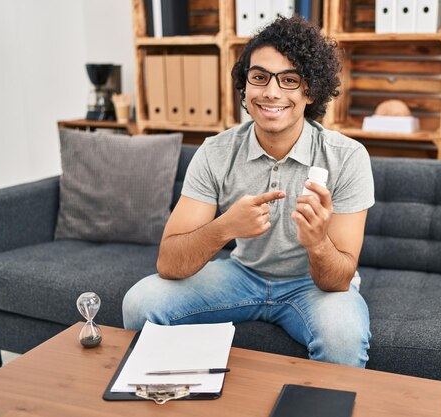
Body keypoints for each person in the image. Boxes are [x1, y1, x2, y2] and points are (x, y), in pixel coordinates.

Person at [122, 16, 375, 368]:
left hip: (311, 286)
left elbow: (339, 280)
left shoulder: (347, 158)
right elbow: (168, 262)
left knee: (343, 337)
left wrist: (318, 242)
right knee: (140, 302)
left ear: (311, 91)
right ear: (245, 86)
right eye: (259, 77)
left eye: (289, 80)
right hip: (243, 275)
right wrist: (225, 227)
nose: (271, 92)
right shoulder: (216, 152)